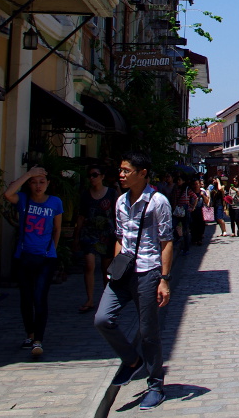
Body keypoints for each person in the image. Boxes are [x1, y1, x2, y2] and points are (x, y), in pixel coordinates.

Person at [94, 151, 174, 411]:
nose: (121, 175)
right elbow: (120, 237)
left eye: (126, 171)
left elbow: (166, 241)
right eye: (121, 170)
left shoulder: (158, 202)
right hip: (123, 272)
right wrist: (114, 269)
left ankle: (155, 385)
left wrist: (164, 279)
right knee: (103, 319)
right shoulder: (120, 201)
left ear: (142, 173)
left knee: (148, 332)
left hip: (148, 272)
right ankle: (131, 360)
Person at [3, 166, 63, 358]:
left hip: (45, 257)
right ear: (29, 184)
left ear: (48, 184)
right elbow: (8, 194)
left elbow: (57, 228)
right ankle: (29, 334)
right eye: (34, 182)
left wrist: (52, 249)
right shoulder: (23, 199)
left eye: (42, 182)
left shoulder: (55, 202)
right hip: (24, 255)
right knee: (26, 298)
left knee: (40, 297)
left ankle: (38, 339)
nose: (38, 186)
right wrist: (28, 174)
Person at [74, 165, 116, 314]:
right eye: (90, 175)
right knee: (89, 264)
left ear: (102, 176)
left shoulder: (111, 193)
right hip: (90, 233)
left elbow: (118, 213)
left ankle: (106, 300)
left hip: (107, 234)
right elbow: (81, 216)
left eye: (95, 175)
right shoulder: (86, 195)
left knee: (106, 269)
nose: (92, 178)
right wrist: (76, 237)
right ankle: (90, 299)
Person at [189, 178, 208, 246]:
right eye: (194, 184)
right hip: (193, 211)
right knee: (193, 225)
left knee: (201, 225)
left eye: (197, 184)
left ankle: (199, 239)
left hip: (201, 211)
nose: (196, 185)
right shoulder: (191, 193)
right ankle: (194, 238)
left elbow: (207, 201)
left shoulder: (202, 192)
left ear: (200, 184)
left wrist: (203, 195)